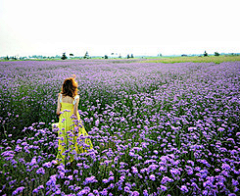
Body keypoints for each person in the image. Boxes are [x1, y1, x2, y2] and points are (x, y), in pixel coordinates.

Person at [55, 74, 93, 166]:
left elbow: (57, 111)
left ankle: (62, 159)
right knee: (74, 140)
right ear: (73, 87)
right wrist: (76, 125)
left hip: (63, 121)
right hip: (72, 122)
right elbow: (75, 114)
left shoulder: (60, 96)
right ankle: (73, 159)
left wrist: (62, 116)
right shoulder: (76, 98)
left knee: (63, 140)